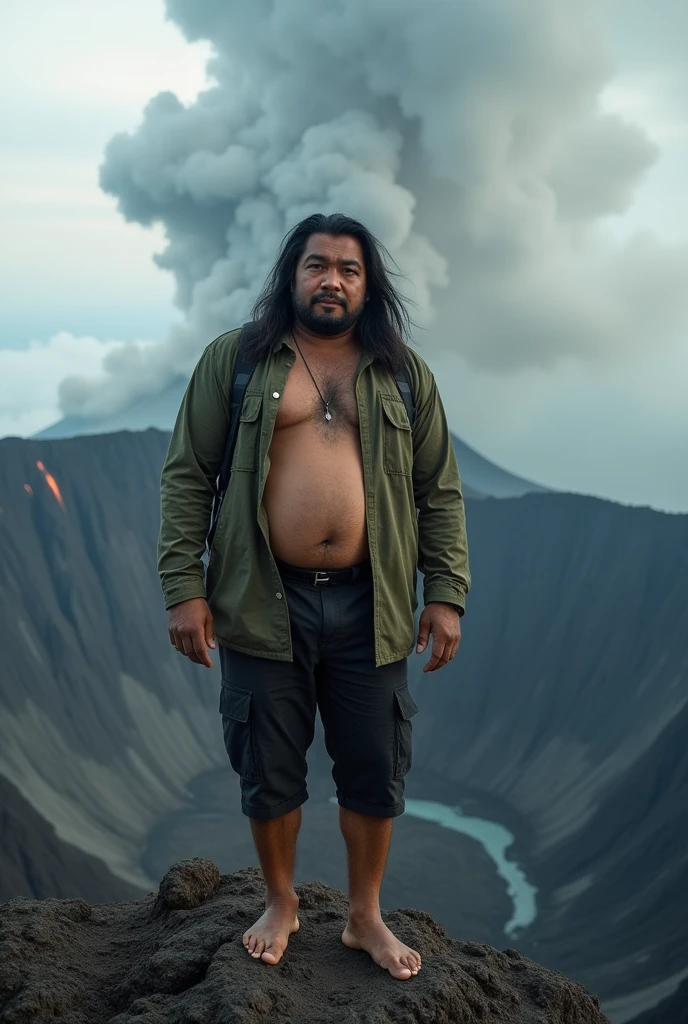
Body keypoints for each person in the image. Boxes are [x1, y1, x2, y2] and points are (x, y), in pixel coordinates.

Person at [157, 212, 471, 980]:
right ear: (291, 275)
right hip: (264, 599)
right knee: (268, 761)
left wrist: (447, 593)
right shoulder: (236, 362)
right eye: (317, 265)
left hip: (376, 603)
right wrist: (183, 587)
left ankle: (365, 917)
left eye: (349, 269)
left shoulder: (402, 373)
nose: (332, 279)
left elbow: (440, 491)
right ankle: (280, 902)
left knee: (374, 763)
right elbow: (187, 474)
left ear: (369, 284)